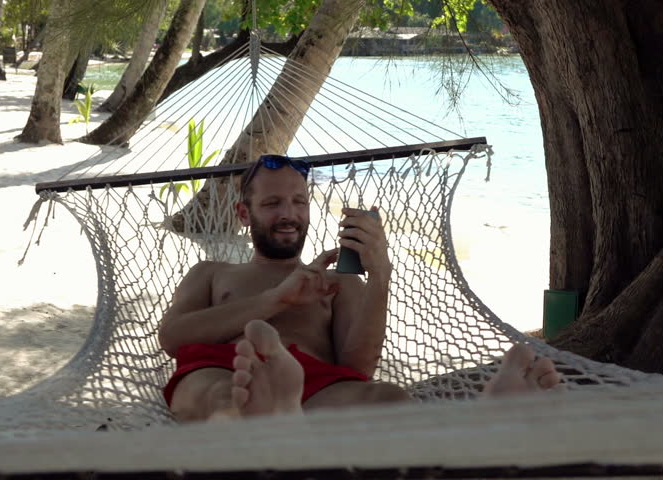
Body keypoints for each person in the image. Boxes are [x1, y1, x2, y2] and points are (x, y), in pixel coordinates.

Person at [158, 154, 562, 421]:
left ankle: (486, 427)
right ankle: (261, 412)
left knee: (391, 401)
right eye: (273, 204)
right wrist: (275, 299)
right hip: (222, 366)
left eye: (299, 202)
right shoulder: (211, 272)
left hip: (310, 383)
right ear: (243, 214)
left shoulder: (337, 282)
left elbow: (356, 370)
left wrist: (380, 275)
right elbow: (173, 337)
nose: (289, 214)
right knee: (220, 396)